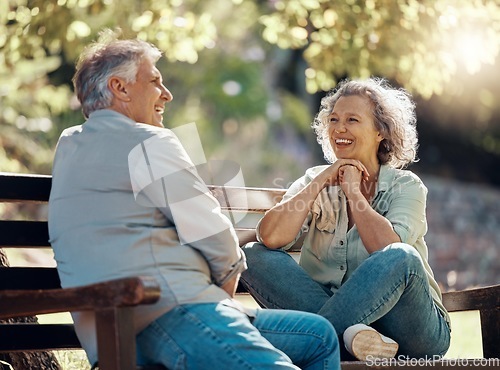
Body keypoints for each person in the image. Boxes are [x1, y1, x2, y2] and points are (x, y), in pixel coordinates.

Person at [48, 29, 341, 369]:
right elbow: (219, 243)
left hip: (109, 336)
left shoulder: (69, 145)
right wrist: (217, 302)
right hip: (175, 312)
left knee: (318, 335)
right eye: (155, 81)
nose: (167, 94)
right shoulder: (150, 141)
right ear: (120, 87)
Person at [240, 78, 451, 361]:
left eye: (352, 119)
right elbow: (270, 237)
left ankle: (313, 342)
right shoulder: (314, 179)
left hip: (412, 330)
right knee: (253, 255)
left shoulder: (406, 186)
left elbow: (385, 247)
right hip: (353, 333)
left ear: (380, 132)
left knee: (401, 256)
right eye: (333, 119)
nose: (339, 128)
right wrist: (321, 181)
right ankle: (353, 338)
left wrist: (353, 191)